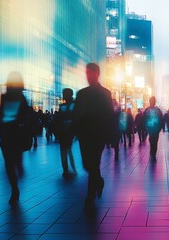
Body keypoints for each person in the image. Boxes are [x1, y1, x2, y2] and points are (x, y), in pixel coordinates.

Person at [73, 63, 114, 210]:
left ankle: (90, 197)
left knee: (93, 163)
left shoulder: (105, 93)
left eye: (91, 73)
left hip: (98, 135)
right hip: (84, 135)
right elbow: (76, 114)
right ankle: (99, 181)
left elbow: (109, 114)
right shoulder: (81, 94)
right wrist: (76, 131)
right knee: (87, 164)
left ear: (97, 74)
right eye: (87, 73)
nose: (89, 76)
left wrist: (108, 134)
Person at [0, 71, 32, 206]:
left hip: (8, 133)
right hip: (15, 134)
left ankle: (14, 189)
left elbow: (3, 115)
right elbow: (24, 116)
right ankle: (14, 188)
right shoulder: (21, 98)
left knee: (9, 164)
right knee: (13, 162)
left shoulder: (6, 97)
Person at [55, 88, 77, 178]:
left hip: (64, 131)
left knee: (64, 150)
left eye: (64, 94)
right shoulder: (73, 105)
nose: (63, 96)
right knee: (67, 149)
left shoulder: (63, 106)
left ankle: (66, 169)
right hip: (68, 131)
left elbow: (58, 119)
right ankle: (70, 168)